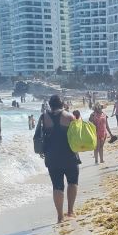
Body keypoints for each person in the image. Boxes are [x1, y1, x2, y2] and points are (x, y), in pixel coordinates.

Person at [40, 94, 81, 222]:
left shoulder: (44, 117)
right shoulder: (69, 116)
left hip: (52, 158)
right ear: (62, 104)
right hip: (70, 156)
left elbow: (39, 137)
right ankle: (70, 211)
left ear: (50, 105)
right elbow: (78, 135)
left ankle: (60, 216)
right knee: (72, 182)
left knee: (57, 186)